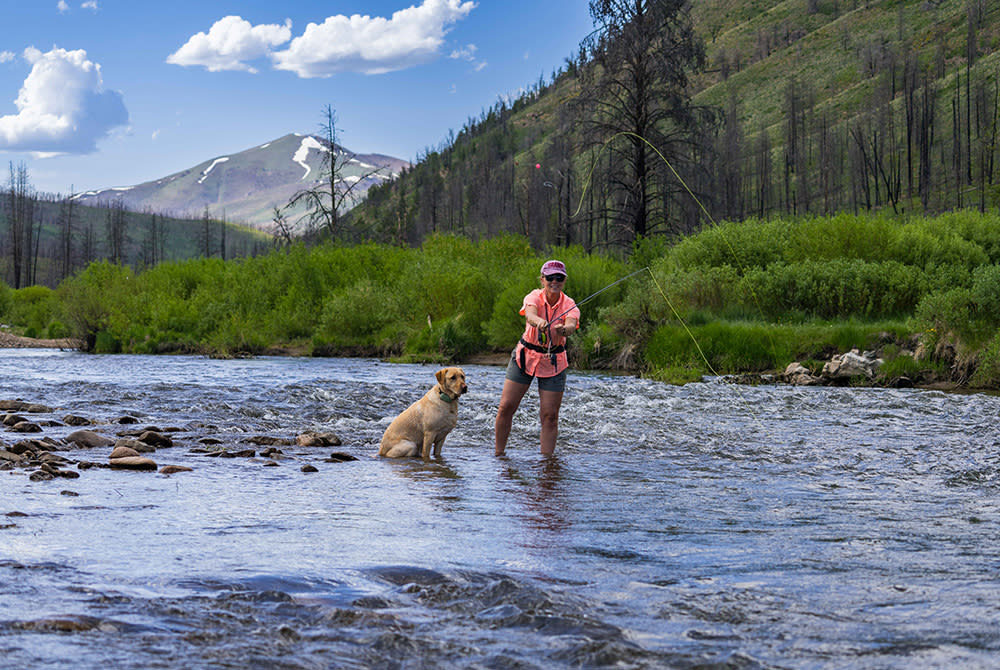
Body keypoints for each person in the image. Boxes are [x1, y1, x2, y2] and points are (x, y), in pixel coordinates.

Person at [494, 260, 580, 457]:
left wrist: (564, 330)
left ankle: (546, 462)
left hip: (554, 361)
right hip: (525, 357)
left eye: (559, 277)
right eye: (550, 277)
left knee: (550, 416)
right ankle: (499, 455)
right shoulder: (534, 296)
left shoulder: (569, 304)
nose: (554, 281)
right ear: (542, 280)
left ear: (564, 280)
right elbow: (530, 315)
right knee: (506, 407)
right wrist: (540, 322)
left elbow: (571, 324)